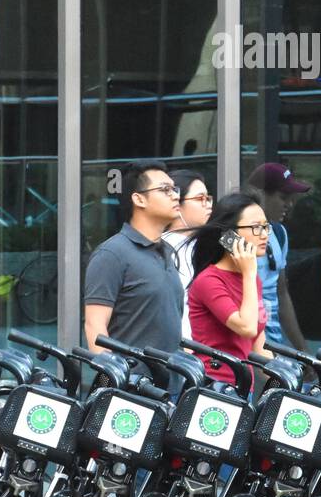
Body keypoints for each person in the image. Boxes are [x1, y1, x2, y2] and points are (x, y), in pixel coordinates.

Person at [83, 161, 183, 357]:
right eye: (165, 190)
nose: (175, 195)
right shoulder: (112, 254)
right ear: (139, 199)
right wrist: (112, 381)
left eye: (175, 189)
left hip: (172, 384)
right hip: (131, 385)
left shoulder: (167, 251)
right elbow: (95, 326)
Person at [187, 191, 274, 392]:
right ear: (229, 236)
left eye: (265, 226)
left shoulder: (251, 280)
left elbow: (258, 345)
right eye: (255, 227)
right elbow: (247, 327)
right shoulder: (209, 280)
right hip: (213, 389)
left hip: (243, 388)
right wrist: (249, 273)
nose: (264, 234)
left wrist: (285, 380)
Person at [247, 163, 310, 351]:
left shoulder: (279, 233)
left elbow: (281, 293)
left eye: (292, 199)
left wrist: (302, 350)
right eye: (283, 197)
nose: (289, 205)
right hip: (246, 349)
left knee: (281, 381)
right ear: (259, 194)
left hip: (274, 344)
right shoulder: (229, 238)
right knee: (271, 381)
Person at [162, 169, 212, 335]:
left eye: (208, 198)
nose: (208, 205)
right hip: (182, 346)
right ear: (177, 203)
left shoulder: (208, 243)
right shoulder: (162, 247)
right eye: (200, 199)